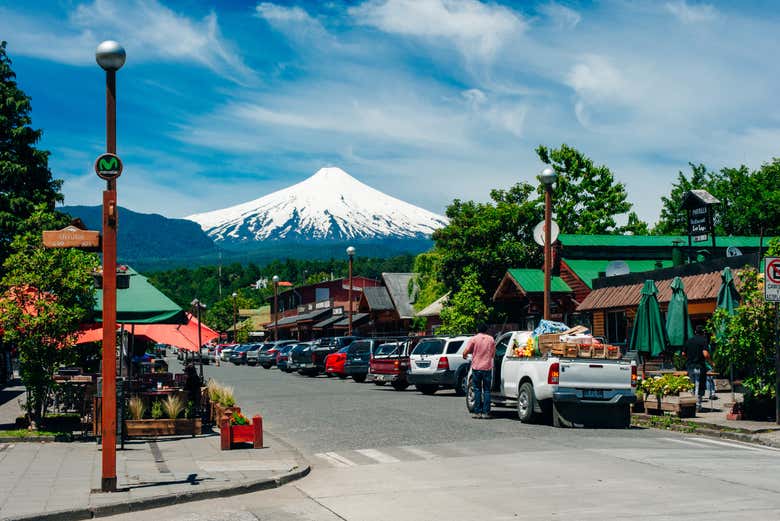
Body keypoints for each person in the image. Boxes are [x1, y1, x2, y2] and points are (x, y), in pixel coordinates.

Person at [462, 323, 496, 419]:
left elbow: (466, 351)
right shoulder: (491, 339)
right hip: (487, 367)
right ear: (486, 330)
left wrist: (464, 356)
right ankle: (486, 412)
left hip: (476, 367)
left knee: (477, 389)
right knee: (487, 390)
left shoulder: (474, 339)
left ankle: (478, 412)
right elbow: (493, 353)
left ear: (478, 330)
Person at [684, 325, 710, 410]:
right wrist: (711, 362)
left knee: (692, 385)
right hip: (700, 366)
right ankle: (698, 405)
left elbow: (683, 354)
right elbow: (705, 354)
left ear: (695, 332)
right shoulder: (704, 340)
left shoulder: (689, 341)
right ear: (702, 333)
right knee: (700, 385)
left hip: (690, 366)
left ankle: (691, 404)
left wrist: (689, 358)